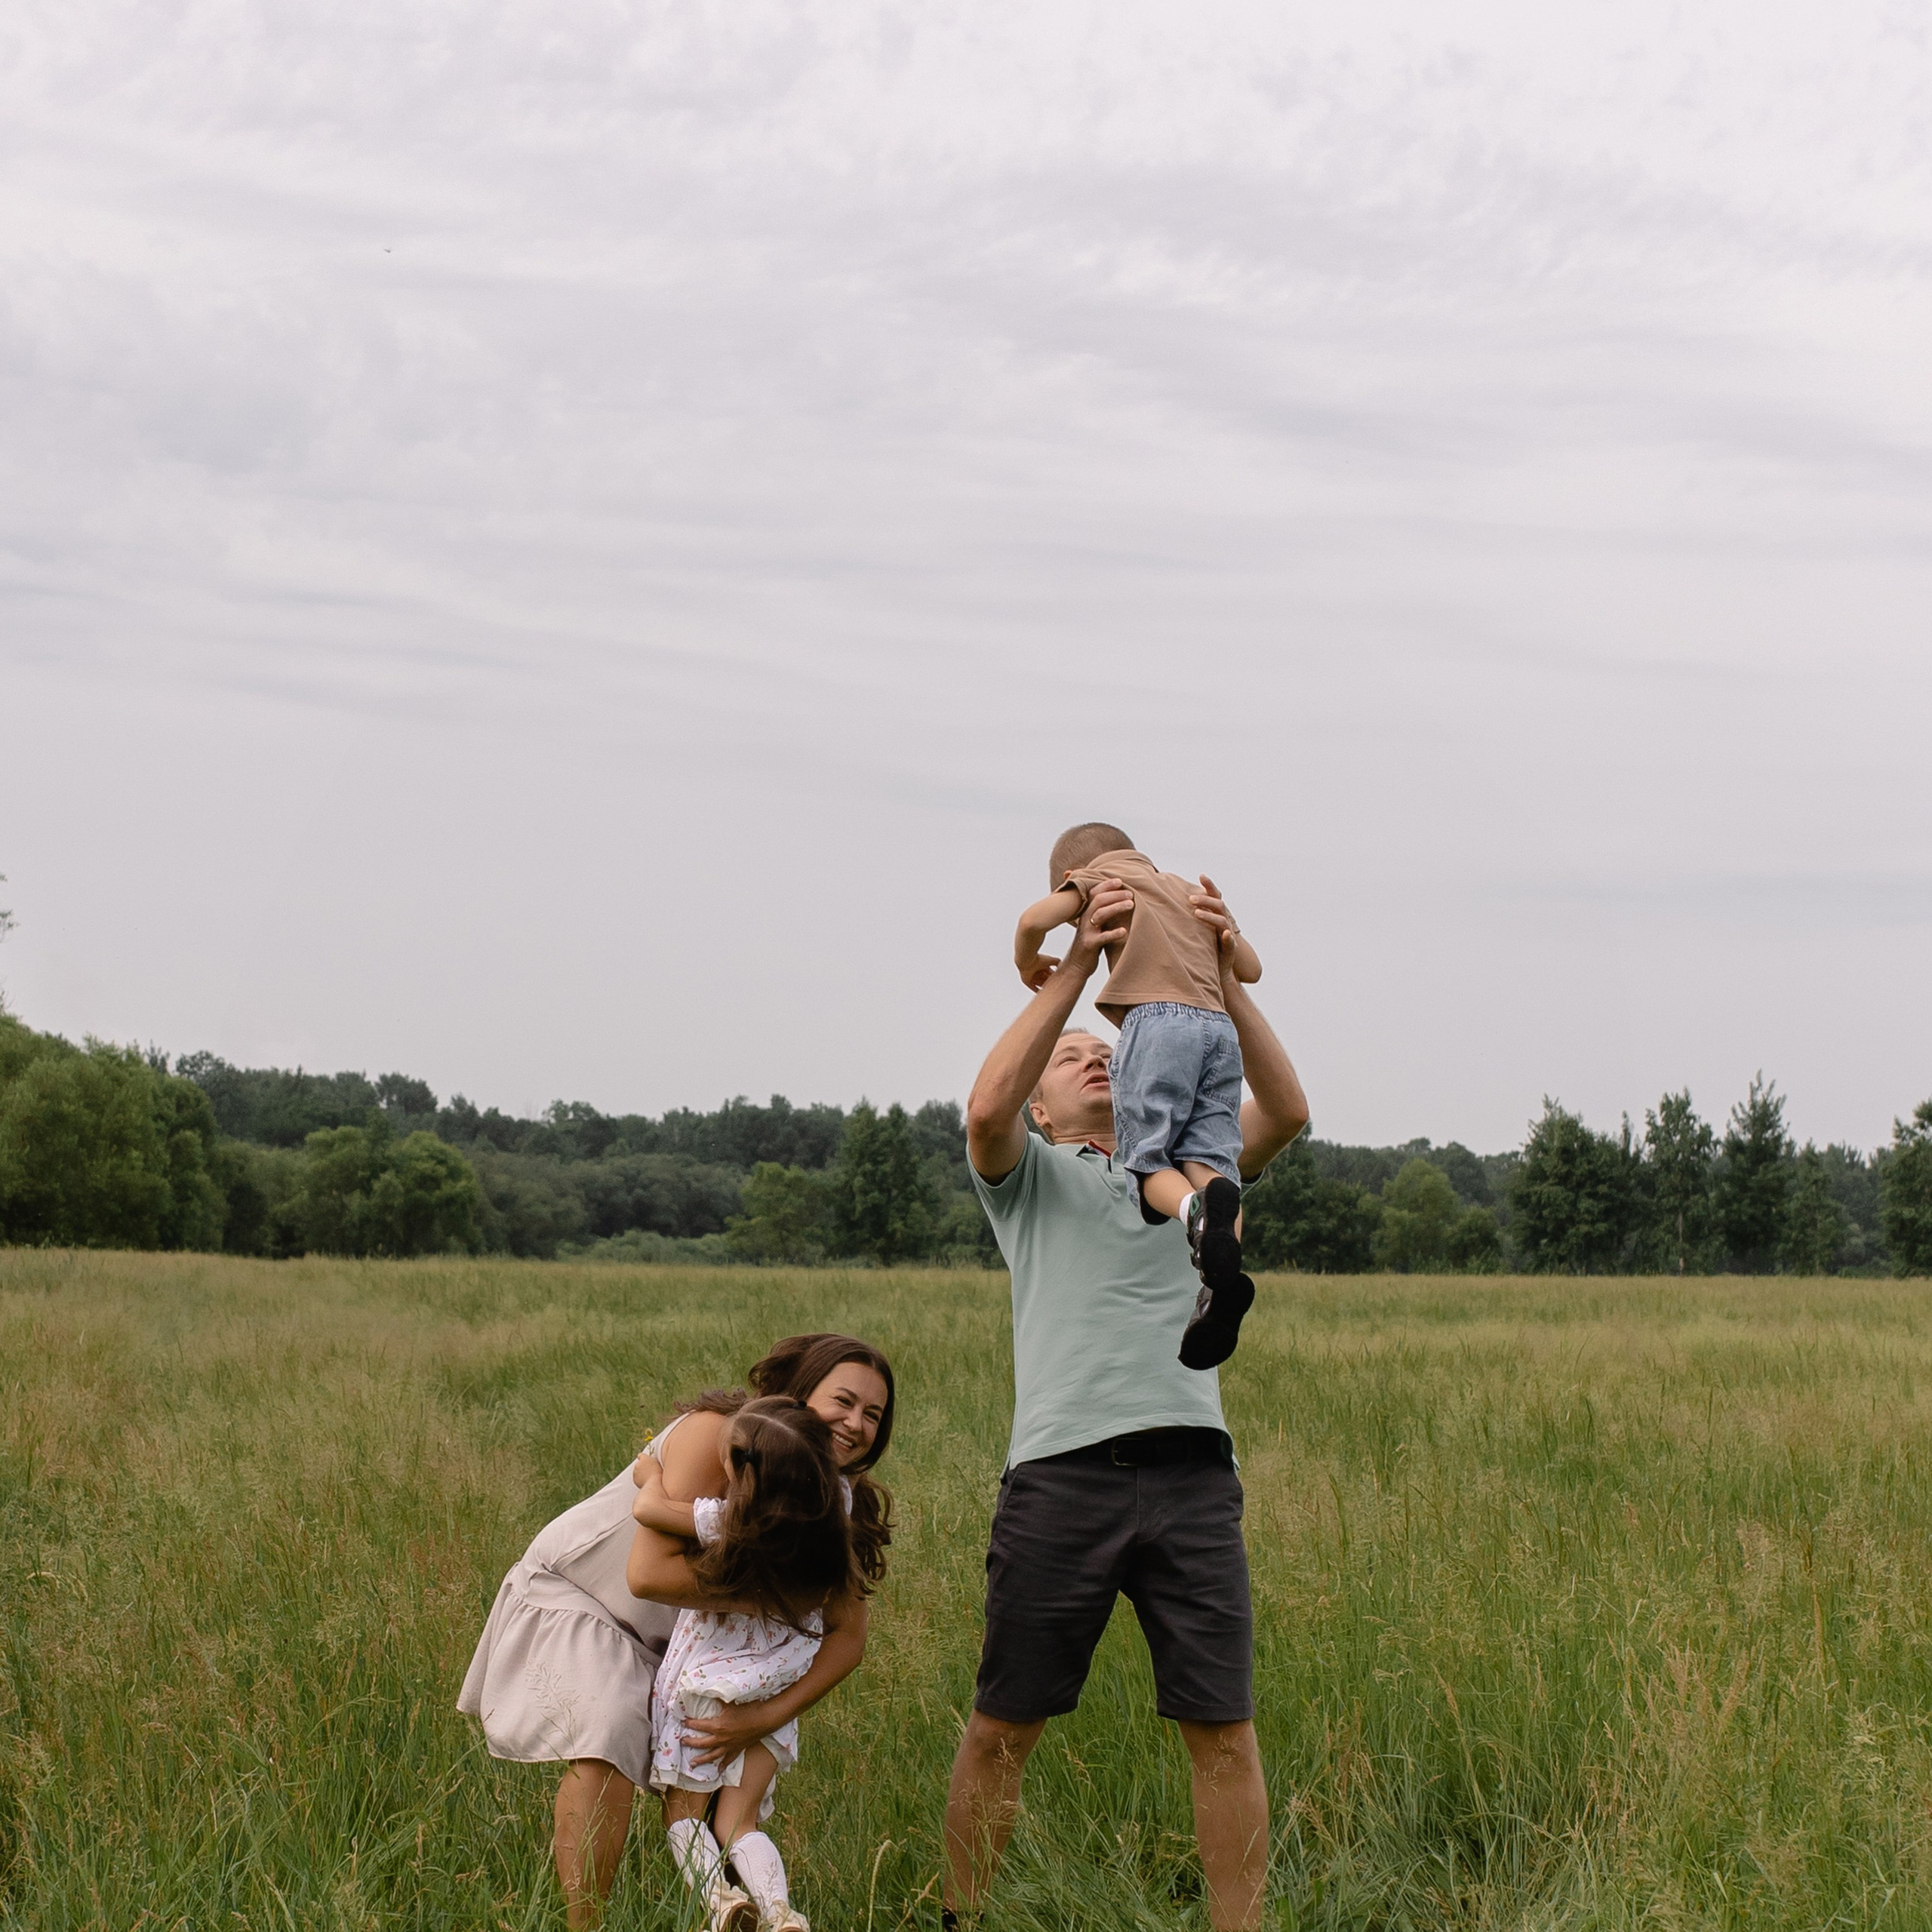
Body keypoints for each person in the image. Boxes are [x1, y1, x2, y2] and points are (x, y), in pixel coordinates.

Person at [946, 872, 1309, 1932]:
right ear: (1046, 1106)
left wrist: (1215, 971)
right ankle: (965, 1919)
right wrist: (1070, 977)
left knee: (1224, 1730)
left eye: (1107, 1054)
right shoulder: (1026, 1178)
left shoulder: (1192, 1170)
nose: (1094, 1062)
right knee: (1004, 1727)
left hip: (1194, 1472)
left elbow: (1287, 1109)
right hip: (1062, 1476)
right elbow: (984, 1105)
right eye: (1072, 1063)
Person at [458, 1334, 894, 1930]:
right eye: (842, 1401)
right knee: (608, 1721)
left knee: (719, 1782)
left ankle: (748, 1912)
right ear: (798, 1394)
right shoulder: (720, 1436)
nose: (855, 1423)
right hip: (585, 1598)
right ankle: (586, 1925)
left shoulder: (833, 1505)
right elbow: (647, 1575)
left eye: (873, 1414)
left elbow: (847, 1640)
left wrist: (764, 1718)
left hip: (684, 1654)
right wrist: (787, 1599)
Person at [1012, 822, 1265, 1367]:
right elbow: (1252, 969)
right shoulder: (1184, 889)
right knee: (1210, 1156)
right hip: (1220, 1028)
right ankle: (1222, 1276)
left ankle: (1193, 1212)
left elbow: (1032, 920)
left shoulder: (1097, 879)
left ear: (1069, 878)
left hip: (1156, 1022)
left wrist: (1027, 960)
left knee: (1147, 1161)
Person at [629, 1395, 872, 1932]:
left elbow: (648, 1510)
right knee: (739, 1821)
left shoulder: (731, 1520)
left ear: (745, 1474)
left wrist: (650, 1472)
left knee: (685, 1815)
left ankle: (722, 1903)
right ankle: (781, 1913)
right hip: (776, 1686)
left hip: (709, 1683)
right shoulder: (836, 1510)